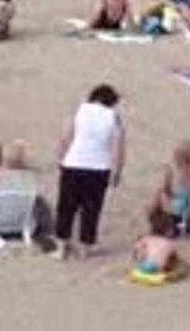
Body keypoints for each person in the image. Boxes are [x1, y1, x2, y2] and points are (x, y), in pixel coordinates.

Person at [54, 84, 125, 260]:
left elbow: (66, 137)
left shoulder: (80, 110)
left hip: (74, 164)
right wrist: (117, 171)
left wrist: (60, 157)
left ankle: (62, 246)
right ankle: (85, 247)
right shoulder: (113, 117)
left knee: (66, 207)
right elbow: (118, 147)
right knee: (91, 209)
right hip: (99, 168)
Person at [148, 139, 190, 235]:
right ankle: (179, 227)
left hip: (179, 212)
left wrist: (167, 190)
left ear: (179, 158)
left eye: (175, 156)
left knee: (158, 194)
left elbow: (167, 190)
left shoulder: (174, 171)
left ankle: (168, 227)